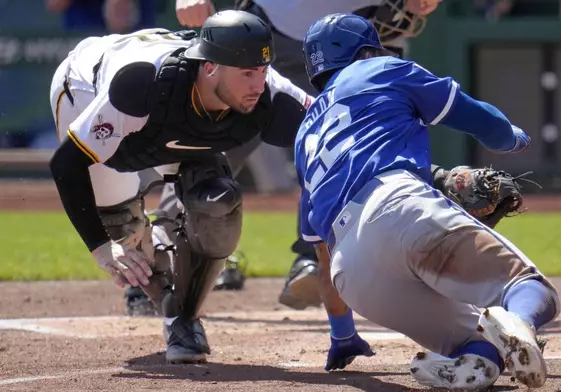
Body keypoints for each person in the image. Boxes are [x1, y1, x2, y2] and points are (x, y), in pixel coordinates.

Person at [294, 13, 561, 390]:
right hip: (395, 204)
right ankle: (519, 322)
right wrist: (512, 138)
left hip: (351, 274)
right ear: (368, 49)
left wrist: (342, 334)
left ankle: (479, 363)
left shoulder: (306, 133)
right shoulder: (381, 68)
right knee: (529, 289)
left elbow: (321, 255)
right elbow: (478, 119)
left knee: (476, 339)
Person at [49, 9, 311, 363]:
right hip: (88, 87)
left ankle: (182, 318)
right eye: (247, 73)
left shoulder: (270, 93)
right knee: (122, 229)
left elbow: (329, 132)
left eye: (263, 71)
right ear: (209, 67)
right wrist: (100, 247)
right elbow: (66, 164)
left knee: (217, 201)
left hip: (173, 123)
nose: (257, 84)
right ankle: (145, 255)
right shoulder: (141, 86)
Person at [160, 0, 443, 311]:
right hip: (270, 27)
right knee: (216, 149)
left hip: (355, 33)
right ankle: (159, 260)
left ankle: (312, 260)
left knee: (345, 145)